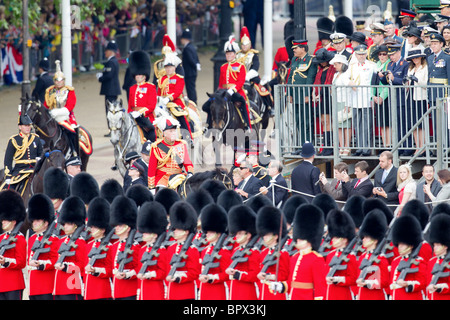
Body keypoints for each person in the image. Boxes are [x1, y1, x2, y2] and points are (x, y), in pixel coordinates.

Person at [288, 203, 327, 300]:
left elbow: (320, 287)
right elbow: (290, 282)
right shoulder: (294, 257)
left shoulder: (316, 259)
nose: (297, 240)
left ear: (309, 238)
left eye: (300, 239)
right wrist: (281, 286)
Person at [380, 43, 412, 155]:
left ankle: (407, 147)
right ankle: (399, 146)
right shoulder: (389, 65)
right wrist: (382, 77)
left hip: (402, 98)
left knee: (404, 124)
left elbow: (405, 81)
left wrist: (394, 79)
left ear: (399, 53)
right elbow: (387, 82)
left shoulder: (405, 64)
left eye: (393, 54)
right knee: (396, 124)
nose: (391, 57)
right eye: (390, 55)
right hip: (393, 99)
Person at [148, 116, 194, 193]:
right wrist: (151, 187)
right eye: (170, 131)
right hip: (163, 178)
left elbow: (187, 162)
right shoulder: (156, 146)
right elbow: (151, 169)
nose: (173, 133)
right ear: (164, 133)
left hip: (179, 176)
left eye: (174, 131)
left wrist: (190, 173)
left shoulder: (181, 144)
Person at [53, 196, 87, 300]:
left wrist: (66, 267)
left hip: (72, 287)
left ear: (76, 225)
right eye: (65, 223)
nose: (65, 226)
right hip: (59, 287)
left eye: (69, 224)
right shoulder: (61, 241)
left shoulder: (80, 242)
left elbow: (81, 266)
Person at [165, 201, 201, 300]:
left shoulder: (192, 249)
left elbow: (194, 273)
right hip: (172, 292)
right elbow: (168, 269)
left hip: (186, 293)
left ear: (185, 231)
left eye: (178, 229)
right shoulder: (171, 248)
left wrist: (179, 277)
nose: (174, 231)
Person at [44, 60, 80, 157]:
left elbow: (70, 106)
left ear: (64, 81)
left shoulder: (70, 91)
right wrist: (50, 113)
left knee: (72, 130)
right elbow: (46, 105)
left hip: (66, 116)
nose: (59, 82)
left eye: (61, 80)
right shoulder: (50, 91)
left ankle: (74, 150)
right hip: (52, 116)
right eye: (57, 80)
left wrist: (57, 112)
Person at [27, 193, 59, 300]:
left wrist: (40, 264)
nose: (34, 223)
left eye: (38, 220)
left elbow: (55, 260)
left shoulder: (53, 239)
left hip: (46, 287)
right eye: (34, 220)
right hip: (33, 287)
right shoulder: (31, 239)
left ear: (46, 223)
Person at [1, 114, 43, 195]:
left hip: (34, 169)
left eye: (29, 125)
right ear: (20, 127)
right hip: (19, 171)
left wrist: (39, 159)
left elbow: (40, 154)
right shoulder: (14, 140)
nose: (28, 127)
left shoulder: (36, 138)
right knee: (8, 192)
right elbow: (8, 160)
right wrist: (8, 176)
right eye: (25, 125)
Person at [157, 52, 195, 140]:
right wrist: (158, 99)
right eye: (166, 67)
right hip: (162, 103)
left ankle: (188, 136)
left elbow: (178, 92)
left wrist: (169, 98)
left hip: (176, 102)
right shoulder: (161, 79)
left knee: (181, 116)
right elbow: (159, 92)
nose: (168, 69)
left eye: (170, 67)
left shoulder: (179, 78)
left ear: (174, 67)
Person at [287, 39, 317, 149]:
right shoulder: (294, 59)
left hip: (304, 96)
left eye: (296, 48)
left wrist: (307, 94)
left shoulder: (310, 60)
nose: (294, 50)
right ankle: (301, 145)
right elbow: (290, 77)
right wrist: (289, 94)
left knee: (307, 122)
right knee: (299, 121)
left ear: (303, 48)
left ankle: (308, 145)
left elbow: (310, 78)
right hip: (295, 95)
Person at [226, 205, 261, 300]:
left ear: (248, 234)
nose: (237, 236)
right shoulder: (236, 250)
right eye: (236, 233)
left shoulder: (254, 252)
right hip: (234, 291)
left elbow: (255, 275)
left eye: (240, 233)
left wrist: (239, 275)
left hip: (247, 293)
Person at [136, 201, 169, 300]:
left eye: (146, 233)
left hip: (156, 291)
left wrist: (151, 274)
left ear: (154, 235)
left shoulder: (161, 250)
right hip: (143, 290)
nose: (143, 235)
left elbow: (163, 272)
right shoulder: (142, 249)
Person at [390, 214, 428, 300]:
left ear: (410, 245)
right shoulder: (395, 261)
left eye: (403, 244)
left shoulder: (418, 261)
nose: (399, 247)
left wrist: (407, 284)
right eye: (399, 244)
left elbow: (422, 282)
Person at [198, 204, 231, 300]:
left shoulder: (224, 251)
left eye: (210, 232)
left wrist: (212, 278)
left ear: (218, 233)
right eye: (207, 231)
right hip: (204, 290)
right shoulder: (205, 250)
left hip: (217, 291)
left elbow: (226, 274)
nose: (207, 234)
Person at [256, 206, 290, 300]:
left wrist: (269, 276)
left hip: (276, 292)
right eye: (264, 235)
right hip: (263, 292)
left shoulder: (282, 253)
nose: (264, 237)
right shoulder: (263, 253)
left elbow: (284, 274)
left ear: (275, 236)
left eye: (267, 235)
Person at [109, 196, 140, 300]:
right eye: (116, 225)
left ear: (128, 227)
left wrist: (127, 274)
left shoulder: (135, 246)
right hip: (116, 291)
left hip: (129, 292)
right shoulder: (114, 246)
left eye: (120, 225)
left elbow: (138, 268)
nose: (116, 227)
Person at [348, 45, 376, 156]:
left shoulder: (372, 65)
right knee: (357, 125)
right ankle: (359, 148)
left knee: (366, 125)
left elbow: (375, 81)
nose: (361, 56)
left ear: (366, 54)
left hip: (366, 99)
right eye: (359, 54)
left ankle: (366, 148)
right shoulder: (352, 66)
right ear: (355, 55)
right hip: (355, 99)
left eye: (363, 54)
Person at [355, 209, 390, 300]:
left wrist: (368, 283)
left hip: (375, 296)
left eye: (366, 237)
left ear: (375, 239)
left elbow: (385, 281)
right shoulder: (363, 256)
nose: (363, 239)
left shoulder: (381, 258)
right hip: (362, 295)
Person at [84, 197, 114, 300]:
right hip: (88, 291)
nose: (91, 229)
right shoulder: (88, 245)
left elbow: (110, 270)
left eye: (94, 227)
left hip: (102, 292)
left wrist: (95, 270)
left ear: (102, 229)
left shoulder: (109, 247)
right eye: (91, 226)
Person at [324, 209, 358, 300]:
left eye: (336, 237)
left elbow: (354, 278)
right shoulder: (330, 255)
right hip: (329, 293)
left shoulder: (350, 257)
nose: (333, 240)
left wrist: (339, 279)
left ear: (344, 239)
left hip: (343, 294)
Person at [0, 190, 27, 300]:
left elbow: (21, 262)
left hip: (14, 283)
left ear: (13, 221)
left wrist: (5, 261)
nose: (3, 222)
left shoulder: (19, 238)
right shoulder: (1, 238)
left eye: (6, 219)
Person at [127, 50, 157, 142]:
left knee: (151, 131)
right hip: (134, 117)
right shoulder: (132, 88)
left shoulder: (150, 87)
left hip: (146, 117)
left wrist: (141, 113)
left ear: (145, 75)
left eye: (140, 74)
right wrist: (130, 113)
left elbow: (151, 106)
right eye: (137, 74)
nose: (138, 76)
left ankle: (152, 148)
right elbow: (130, 105)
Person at [312, 48, 336, 156]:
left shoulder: (332, 68)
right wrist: (314, 93)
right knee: (323, 122)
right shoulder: (320, 70)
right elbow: (316, 84)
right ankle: (326, 146)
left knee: (327, 121)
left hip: (328, 97)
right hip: (321, 97)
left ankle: (329, 146)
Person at [97, 40, 121, 137]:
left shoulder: (111, 62)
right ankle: (113, 129)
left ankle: (112, 130)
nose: (105, 52)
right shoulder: (112, 61)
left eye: (107, 50)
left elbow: (109, 75)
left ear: (110, 51)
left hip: (110, 90)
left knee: (110, 111)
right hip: (112, 90)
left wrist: (100, 77)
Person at [329, 53, 351, 155]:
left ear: (341, 64)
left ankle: (347, 146)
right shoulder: (335, 75)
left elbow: (348, 89)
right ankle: (341, 146)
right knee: (339, 125)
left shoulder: (346, 75)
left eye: (336, 64)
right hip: (336, 101)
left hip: (344, 101)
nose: (334, 66)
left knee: (346, 125)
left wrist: (348, 103)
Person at [372, 45, 392, 149]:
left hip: (386, 97)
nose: (382, 56)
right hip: (377, 97)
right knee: (382, 123)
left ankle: (389, 145)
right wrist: (373, 96)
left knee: (388, 123)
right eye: (380, 54)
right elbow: (372, 82)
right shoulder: (376, 65)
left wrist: (381, 97)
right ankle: (385, 145)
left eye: (384, 54)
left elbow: (388, 84)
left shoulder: (389, 64)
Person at [426, 213, 450, 300]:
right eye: (434, 245)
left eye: (438, 245)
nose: (434, 248)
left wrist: (439, 288)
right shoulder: (431, 262)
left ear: (446, 246)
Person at [427, 33, 450, 108]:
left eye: (435, 44)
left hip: (443, 92)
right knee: (434, 116)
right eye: (432, 44)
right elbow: (429, 75)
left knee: (444, 117)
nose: (433, 46)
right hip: (432, 92)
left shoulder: (447, 58)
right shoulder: (430, 58)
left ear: (441, 44)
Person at [180, 28, 200, 104]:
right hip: (192, 72)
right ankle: (194, 102)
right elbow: (196, 58)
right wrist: (197, 64)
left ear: (184, 39)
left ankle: (193, 102)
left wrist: (194, 65)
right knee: (192, 88)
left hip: (189, 72)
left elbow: (190, 60)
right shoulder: (191, 47)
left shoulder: (187, 49)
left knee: (190, 89)